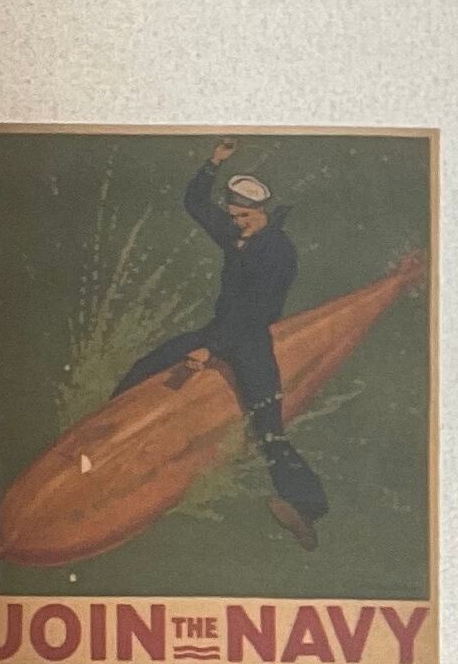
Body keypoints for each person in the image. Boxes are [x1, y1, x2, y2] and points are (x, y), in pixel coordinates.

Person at [114, 139, 330, 551]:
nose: (238, 223)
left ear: (264, 213)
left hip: (250, 341)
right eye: (233, 216)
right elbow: (195, 203)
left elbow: (254, 312)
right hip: (219, 330)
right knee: (147, 365)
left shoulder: (280, 253)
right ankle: (108, 428)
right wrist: (213, 163)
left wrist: (211, 349)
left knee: (269, 430)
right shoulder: (236, 233)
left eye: (245, 217)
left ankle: (307, 508)